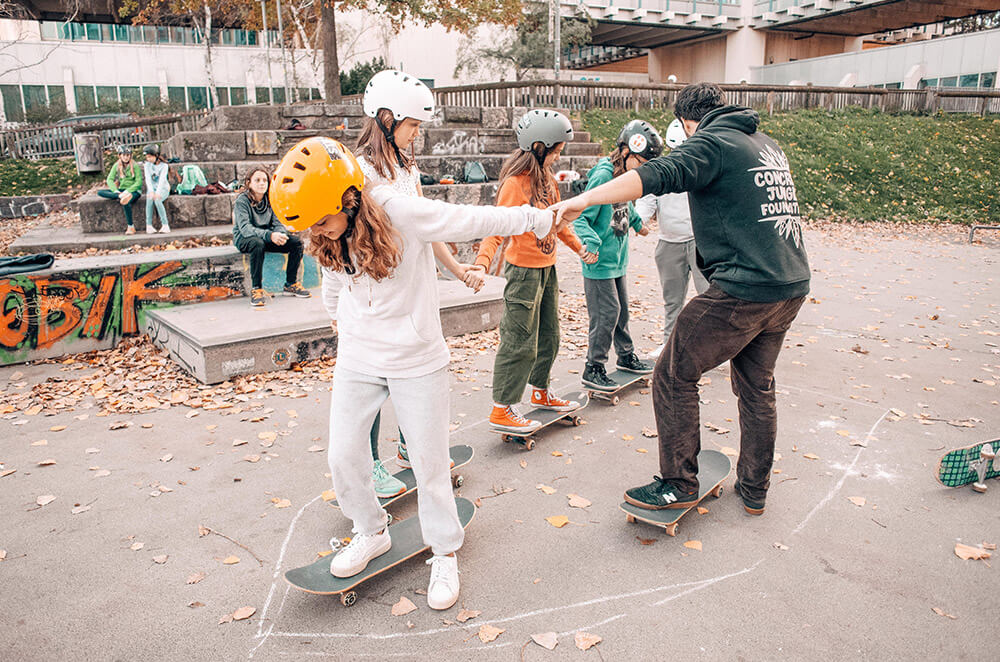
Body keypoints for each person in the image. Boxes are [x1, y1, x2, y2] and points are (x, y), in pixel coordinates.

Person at [269, 136, 558, 610]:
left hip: (416, 358)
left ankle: (444, 551)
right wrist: (338, 321)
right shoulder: (328, 231)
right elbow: (336, 279)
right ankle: (370, 531)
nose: (319, 231)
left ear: (348, 197)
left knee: (428, 463)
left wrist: (533, 217)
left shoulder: (398, 210)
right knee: (343, 455)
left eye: (323, 220)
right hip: (360, 356)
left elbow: (467, 219)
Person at [549, 83, 810, 516]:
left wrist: (587, 197)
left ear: (688, 122)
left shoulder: (712, 141)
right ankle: (755, 487)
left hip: (744, 290)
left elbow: (658, 174)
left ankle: (678, 482)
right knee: (756, 386)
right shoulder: (765, 143)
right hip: (789, 286)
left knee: (672, 373)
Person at [354, 69, 485, 498]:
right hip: (379, 293)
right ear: (387, 119)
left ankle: (411, 448)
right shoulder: (359, 172)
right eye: (412, 125)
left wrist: (458, 269)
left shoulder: (407, 167)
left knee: (415, 373)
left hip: (416, 291)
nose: (416, 134)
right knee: (375, 379)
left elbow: (428, 228)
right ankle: (369, 464)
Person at [468, 109, 592, 434]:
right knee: (519, 339)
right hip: (523, 273)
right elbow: (497, 228)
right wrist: (482, 263)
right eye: (556, 151)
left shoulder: (548, 181)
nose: (558, 157)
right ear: (538, 147)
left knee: (549, 336)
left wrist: (579, 248)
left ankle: (541, 390)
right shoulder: (515, 184)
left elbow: (558, 222)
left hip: (547, 271)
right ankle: (502, 407)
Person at [572, 120, 660, 392]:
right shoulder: (603, 176)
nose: (643, 170)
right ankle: (593, 366)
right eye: (642, 163)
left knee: (621, 311)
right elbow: (581, 217)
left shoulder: (625, 177)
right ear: (626, 153)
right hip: (598, 262)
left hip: (617, 260)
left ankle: (625, 356)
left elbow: (624, 206)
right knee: (607, 313)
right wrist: (592, 243)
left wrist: (637, 225)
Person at [635, 119, 709, 360]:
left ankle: (712, 348)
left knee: (709, 297)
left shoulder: (701, 166)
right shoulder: (663, 169)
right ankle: (669, 345)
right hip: (669, 243)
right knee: (672, 301)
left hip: (700, 241)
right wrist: (637, 221)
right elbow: (646, 201)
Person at [231, 167, 311, 307]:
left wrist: (280, 234)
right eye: (257, 180)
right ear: (249, 183)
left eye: (264, 180)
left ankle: (290, 284)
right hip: (246, 239)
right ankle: (256, 289)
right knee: (257, 244)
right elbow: (245, 229)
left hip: (267, 237)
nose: (262, 183)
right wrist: (270, 235)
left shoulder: (271, 199)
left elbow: (278, 223)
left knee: (296, 242)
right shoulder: (241, 202)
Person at [97, 144, 142, 235]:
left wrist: (127, 191)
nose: (126, 157)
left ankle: (131, 227)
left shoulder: (135, 165)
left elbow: (138, 182)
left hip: (134, 191)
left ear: (130, 156)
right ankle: (119, 196)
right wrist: (116, 191)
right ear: (119, 156)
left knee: (125, 201)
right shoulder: (117, 165)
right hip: (121, 191)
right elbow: (109, 179)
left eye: (128, 155)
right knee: (100, 192)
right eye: (124, 155)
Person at [142, 143, 171, 234]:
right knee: (149, 199)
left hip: (163, 189)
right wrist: (151, 191)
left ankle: (165, 225)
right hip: (152, 189)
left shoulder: (164, 166)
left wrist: (157, 193)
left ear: (156, 155)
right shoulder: (147, 165)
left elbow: (162, 180)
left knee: (157, 200)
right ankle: (149, 225)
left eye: (150, 157)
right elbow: (148, 179)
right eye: (147, 157)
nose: (148, 159)